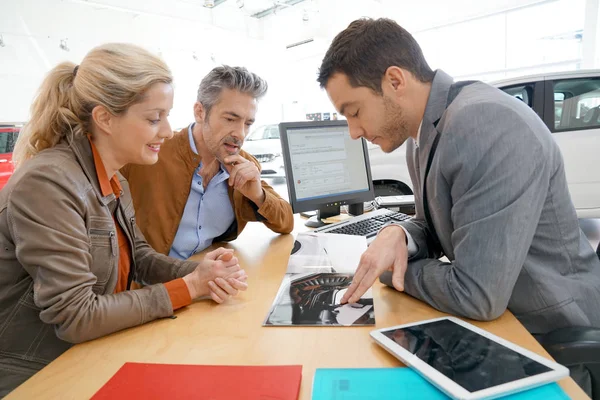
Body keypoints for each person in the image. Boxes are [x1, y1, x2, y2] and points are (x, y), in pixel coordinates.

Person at [317, 18, 600, 334]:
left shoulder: (484, 123)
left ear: (395, 81)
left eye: (354, 112)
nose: (353, 133)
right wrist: (399, 235)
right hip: (507, 315)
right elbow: (438, 226)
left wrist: (392, 270)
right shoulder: (424, 133)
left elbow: (476, 294)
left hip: (554, 325)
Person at [0, 43, 248, 396]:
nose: (166, 131)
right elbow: (76, 316)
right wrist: (189, 288)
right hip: (35, 375)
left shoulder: (114, 178)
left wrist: (202, 273)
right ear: (104, 118)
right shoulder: (49, 184)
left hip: (88, 355)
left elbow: (141, 259)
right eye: (153, 118)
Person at [121, 66, 294, 259]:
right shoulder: (150, 153)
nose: (241, 133)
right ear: (200, 112)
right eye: (230, 119)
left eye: (248, 123)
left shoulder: (243, 165)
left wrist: (258, 195)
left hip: (207, 278)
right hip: (155, 283)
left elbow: (286, 222)